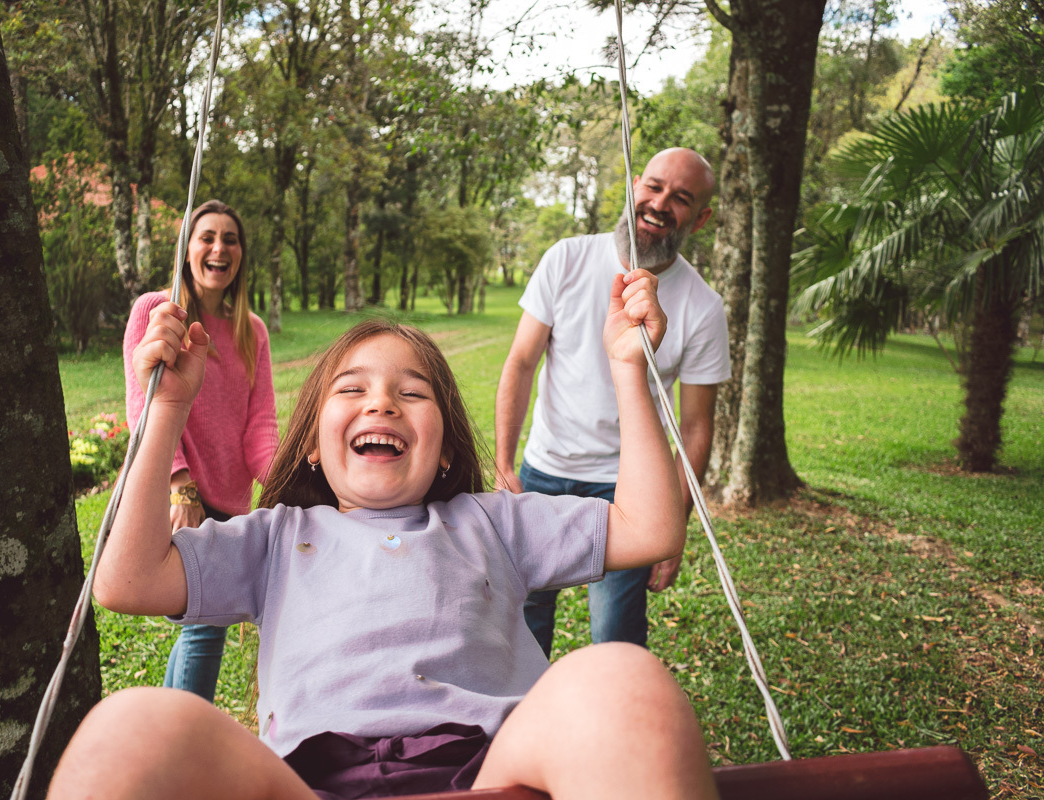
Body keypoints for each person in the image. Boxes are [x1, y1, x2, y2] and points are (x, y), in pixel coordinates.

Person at [48, 271, 719, 800]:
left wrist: (630, 370)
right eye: (352, 390)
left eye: (412, 393)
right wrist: (167, 408)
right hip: (308, 782)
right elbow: (126, 580)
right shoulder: (277, 540)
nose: (381, 404)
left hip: (491, 771)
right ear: (311, 446)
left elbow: (649, 528)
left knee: (620, 677)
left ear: (447, 452)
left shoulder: (493, 521)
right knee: (128, 730)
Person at [495, 147, 730, 657]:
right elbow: (520, 363)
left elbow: (695, 429)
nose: (661, 202)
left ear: (701, 217)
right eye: (654, 185)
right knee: (524, 626)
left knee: (616, 639)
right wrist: (502, 463)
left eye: (681, 197)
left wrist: (676, 521)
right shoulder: (567, 257)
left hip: (626, 490)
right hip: (542, 473)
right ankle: (522, 733)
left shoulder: (705, 308)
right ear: (635, 183)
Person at [123, 198, 278, 703]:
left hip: (232, 505)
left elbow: (260, 426)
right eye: (206, 236)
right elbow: (139, 404)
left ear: (241, 255)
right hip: (182, 499)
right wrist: (179, 488)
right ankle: (185, 748)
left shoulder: (251, 330)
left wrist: (286, 482)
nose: (219, 248)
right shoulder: (157, 311)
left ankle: (172, 732)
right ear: (186, 250)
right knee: (205, 628)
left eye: (230, 239)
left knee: (199, 626)